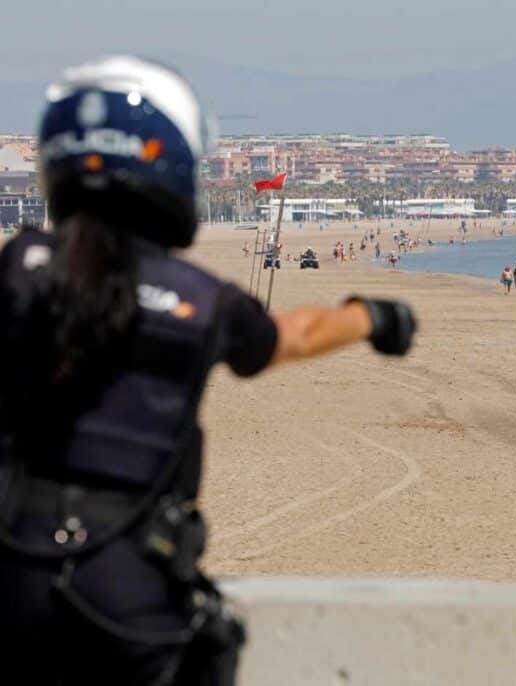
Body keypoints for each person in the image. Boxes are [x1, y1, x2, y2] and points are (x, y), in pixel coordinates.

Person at [0, 56, 417, 686]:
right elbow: (295, 336)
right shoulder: (198, 300)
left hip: (10, 568)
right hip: (124, 591)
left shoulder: (19, 266)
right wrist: (371, 317)